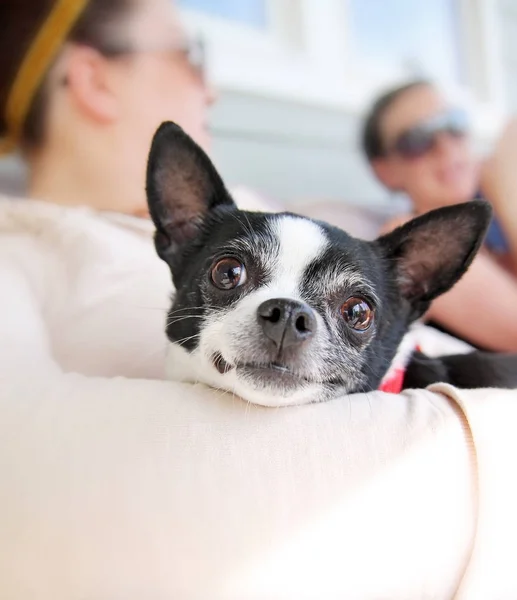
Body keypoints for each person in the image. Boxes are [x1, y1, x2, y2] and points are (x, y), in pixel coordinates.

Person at [1, 3, 517, 597]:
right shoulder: (18, 255)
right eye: (192, 56)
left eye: (351, 311)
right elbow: (30, 502)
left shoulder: (277, 211)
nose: (213, 90)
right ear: (94, 78)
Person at [362, 80, 517, 352]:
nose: (446, 147)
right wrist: (506, 191)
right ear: (385, 171)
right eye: (417, 140)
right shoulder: (409, 242)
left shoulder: (496, 233)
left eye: (453, 125)